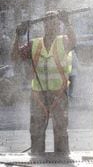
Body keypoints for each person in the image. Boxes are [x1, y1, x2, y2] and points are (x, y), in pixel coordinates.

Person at [11, 10, 76, 154]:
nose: (51, 25)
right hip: (38, 96)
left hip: (59, 94)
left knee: (61, 131)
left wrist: (68, 23)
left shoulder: (63, 41)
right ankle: (36, 158)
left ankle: (62, 160)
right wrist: (18, 35)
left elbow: (73, 42)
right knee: (36, 132)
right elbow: (15, 56)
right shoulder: (34, 44)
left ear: (59, 26)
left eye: (55, 22)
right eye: (48, 22)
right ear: (43, 25)